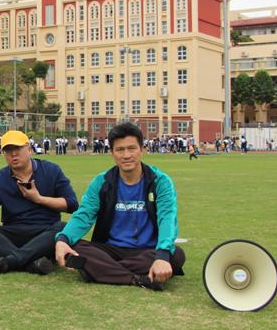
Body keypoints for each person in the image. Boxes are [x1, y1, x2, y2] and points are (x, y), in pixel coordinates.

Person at [54, 122, 185, 291]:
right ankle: (137, 279)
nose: (126, 155)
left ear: (142, 150)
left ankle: (98, 270)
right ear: (112, 153)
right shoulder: (102, 182)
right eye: (120, 150)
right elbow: (84, 215)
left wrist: (162, 255)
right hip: (111, 249)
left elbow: (167, 217)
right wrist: (62, 240)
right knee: (75, 246)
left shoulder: (160, 181)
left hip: (147, 250)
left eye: (132, 148)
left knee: (176, 254)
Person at [0, 130, 78, 275]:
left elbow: (72, 204)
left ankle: (8, 262)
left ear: (29, 149)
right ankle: (31, 262)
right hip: (14, 234)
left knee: (64, 228)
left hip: (45, 232)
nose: (13, 154)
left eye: (18, 148)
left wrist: (39, 199)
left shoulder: (51, 170)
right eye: (8, 150)